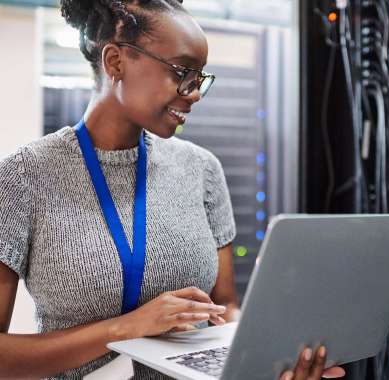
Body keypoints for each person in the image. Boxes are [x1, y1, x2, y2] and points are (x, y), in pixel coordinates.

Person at [0, 1, 346, 379]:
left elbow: (224, 308)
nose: (194, 93)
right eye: (182, 72)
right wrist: (126, 328)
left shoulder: (202, 170)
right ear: (115, 61)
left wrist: (268, 359)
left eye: (199, 78)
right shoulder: (24, 176)